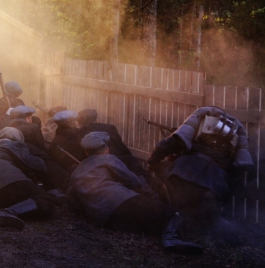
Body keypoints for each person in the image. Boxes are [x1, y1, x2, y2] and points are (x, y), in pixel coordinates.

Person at [68, 132, 203, 254]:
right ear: (106, 149)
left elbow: (72, 198)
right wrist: (153, 197)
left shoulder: (76, 172)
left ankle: (166, 232)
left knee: (151, 223)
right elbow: (133, 180)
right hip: (124, 202)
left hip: (107, 219)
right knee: (173, 213)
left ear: (86, 152)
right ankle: (172, 239)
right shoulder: (108, 159)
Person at [147, 106, 253, 244]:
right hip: (213, 189)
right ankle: (231, 236)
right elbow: (236, 174)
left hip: (183, 176)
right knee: (209, 217)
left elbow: (167, 146)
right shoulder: (236, 135)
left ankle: (170, 232)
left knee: (174, 207)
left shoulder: (200, 116)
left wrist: (153, 162)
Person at [0, 127, 64, 230]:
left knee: (32, 199)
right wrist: (40, 156)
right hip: (11, 182)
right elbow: (36, 165)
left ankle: (12, 209)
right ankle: (8, 212)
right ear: (18, 137)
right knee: (46, 202)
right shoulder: (14, 144)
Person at [9, 105, 70, 192]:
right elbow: (40, 146)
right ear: (27, 118)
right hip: (32, 156)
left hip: (16, 157)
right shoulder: (33, 127)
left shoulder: (8, 128)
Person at [77, 108, 144, 176]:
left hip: (99, 164)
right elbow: (121, 147)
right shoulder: (110, 127)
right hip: (120, 159)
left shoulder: (80, 132)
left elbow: (80, 154)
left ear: (80, 122)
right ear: (95, 119)